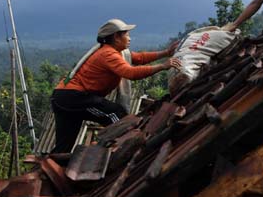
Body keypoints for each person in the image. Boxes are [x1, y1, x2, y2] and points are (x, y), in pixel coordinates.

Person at [50, 18, 180, 152]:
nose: (129, 38)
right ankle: (120, 147)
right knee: (116, 114)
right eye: (126, 34)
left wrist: (165, 53)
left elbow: (139, 58)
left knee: (63, 146)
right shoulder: (108, 54)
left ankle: (52, 166)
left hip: (62, 97)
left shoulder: (116, 52)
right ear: (116, 37)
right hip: (73, 97)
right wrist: (162, 66)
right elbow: (130, 73)